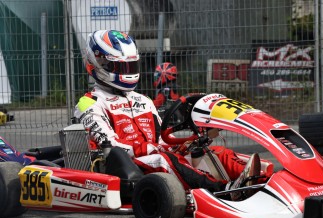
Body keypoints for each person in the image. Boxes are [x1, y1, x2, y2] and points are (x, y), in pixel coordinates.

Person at [74, 29, 260, 195]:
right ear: (98, 63)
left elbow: (161, 140)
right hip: (123, 168)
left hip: (155, 160)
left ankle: (261, 183)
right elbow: (110, 147)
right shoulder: (89, 103)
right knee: (163, 159)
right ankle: (223, 191)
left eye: (131, 66)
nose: (127, 72)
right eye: (121, 67)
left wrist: (186, 144)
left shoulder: (143, 101)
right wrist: (151, 149)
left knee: (213, 151)